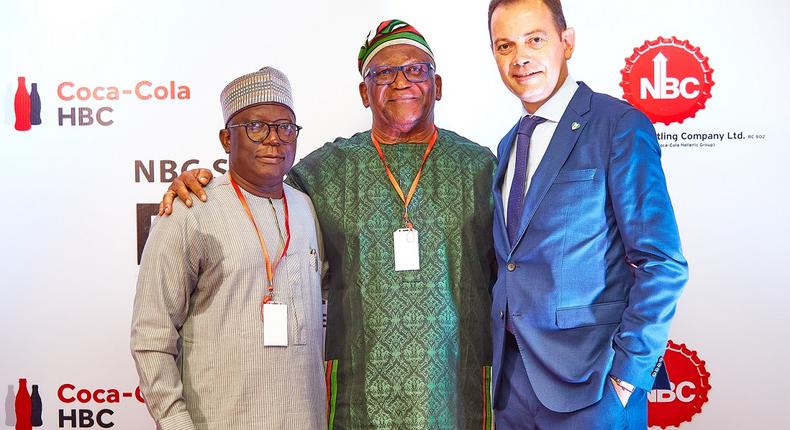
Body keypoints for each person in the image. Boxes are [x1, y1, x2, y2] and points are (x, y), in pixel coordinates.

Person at [161, 20, 497, 430]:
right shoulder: (324, 172)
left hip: (457, 388)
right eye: (383, 73)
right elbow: (257, 194)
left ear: (438, 84)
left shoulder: (481, 168)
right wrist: (201, 185)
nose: (401, 82)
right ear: (363, 92)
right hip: (358, 395)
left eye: (416, 69)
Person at [487, 0, 688, 428]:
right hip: (513, 390)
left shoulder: (618, 125)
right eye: (504, 45)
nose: (519, 58)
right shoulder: (507, 145)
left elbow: (662, 263)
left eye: (534, 39)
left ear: (567, 41)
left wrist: (627, 378)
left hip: (593, 389)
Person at [131, 67, 326, 430]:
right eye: (256, 126)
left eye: (285, 127)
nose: (274, 139)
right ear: (226, 138)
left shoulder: (306, 207)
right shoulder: (190, 212)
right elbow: (151, 335)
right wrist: (174, 423)